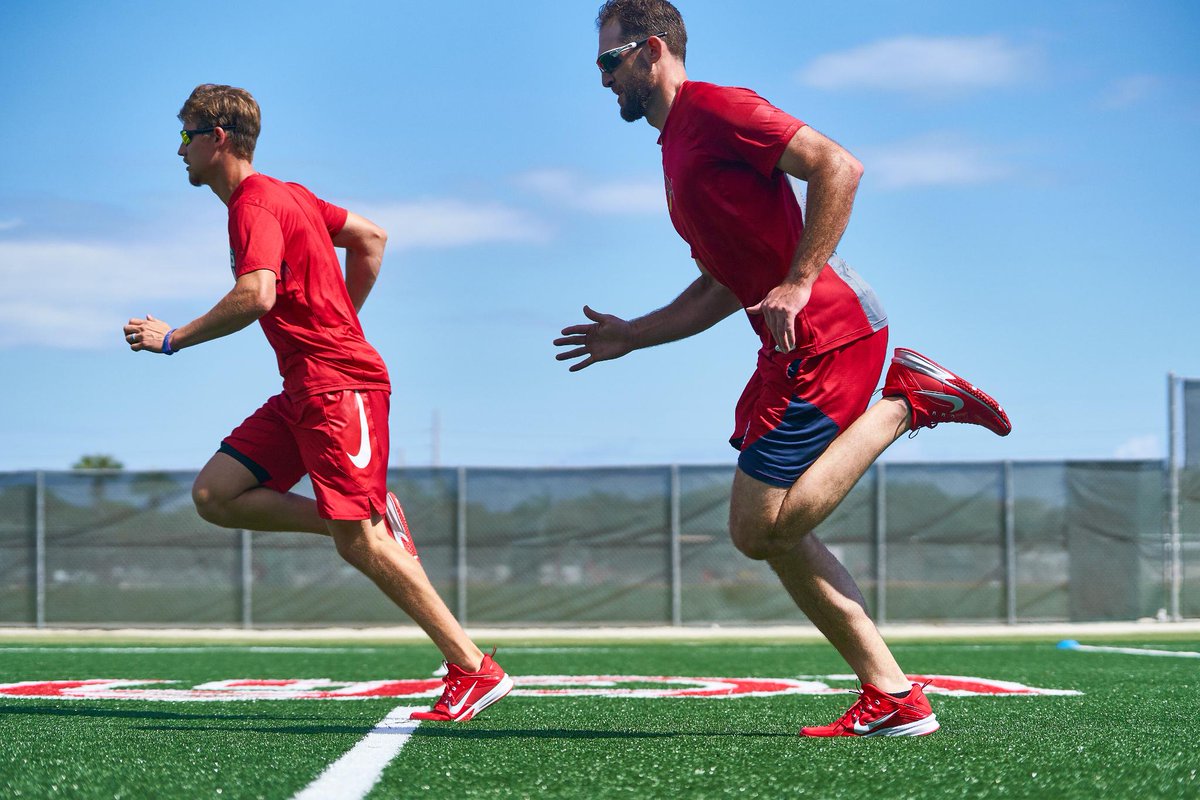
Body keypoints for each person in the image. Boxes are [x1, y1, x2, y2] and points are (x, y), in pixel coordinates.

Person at [555, 1, 1011, 737]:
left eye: (609, 62)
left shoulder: (718, 110)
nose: (602, 79)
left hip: (831, 332)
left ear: (651, 52)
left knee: (757, 529)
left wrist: (800, 281)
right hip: (787, 350)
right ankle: (893, 694)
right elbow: (717, 286)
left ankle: (908, 399)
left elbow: (838, 165)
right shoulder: (675, 148)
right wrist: (632, 335)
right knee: (771, 533)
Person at [124, 84, 510, 723]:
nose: (179, 150)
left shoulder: (253, 204)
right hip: (306, 385)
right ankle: (361, 515)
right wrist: (339, 315)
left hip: (339, 385)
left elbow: (256, 295)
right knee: (215, 496)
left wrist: (173, 338)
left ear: (218, 136)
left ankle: (473, 667)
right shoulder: (288, 195)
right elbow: (371, 239)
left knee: (358, 543)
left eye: (186, 135)